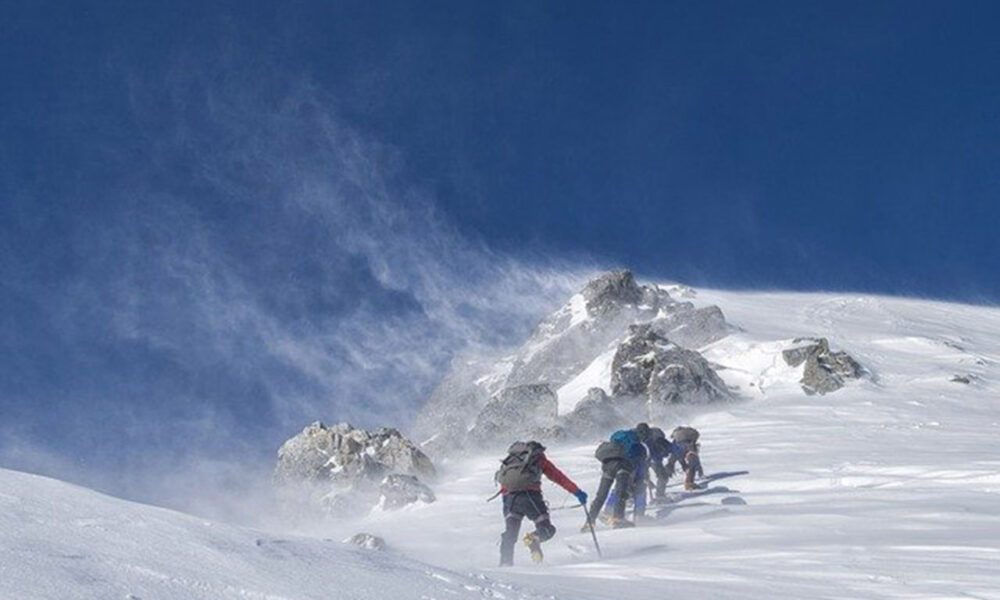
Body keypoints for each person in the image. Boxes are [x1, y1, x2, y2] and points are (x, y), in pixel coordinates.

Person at [494, 441, 587, 566]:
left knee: (510, 534)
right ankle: (534, 538)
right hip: (531, 498)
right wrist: (577, 492)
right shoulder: (538, 458)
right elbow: (558, 476)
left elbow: (503, 482)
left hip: (510, 500)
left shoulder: (510, 459)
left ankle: (505, 564)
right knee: (547, 528)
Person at [586, 423, 649, 529]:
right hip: (623, 467)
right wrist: (640, 481)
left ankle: (589, 523)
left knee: (601, 495)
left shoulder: (620, 435)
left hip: (608, 465)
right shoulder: (639, 447)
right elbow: (640, 467)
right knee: (621, 493)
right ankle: (618, 519)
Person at [665, 426, 703, 491]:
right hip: (688, 447)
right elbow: (694, 456)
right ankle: (689, 483)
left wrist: (671, 463)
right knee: (692, 464)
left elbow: (674, 452)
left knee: (678, 462)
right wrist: (699, 468)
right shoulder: (690, 435)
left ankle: (663, 480)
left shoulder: (676, 436)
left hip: (677, 449)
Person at [645, 426, 675, 501]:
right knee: (663, 476)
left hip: (641, 460)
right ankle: (660, 495)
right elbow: (673, 448)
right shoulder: (660, 440)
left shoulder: (642, 439)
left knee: (637, 478)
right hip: (655, 460)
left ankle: (629, 497)